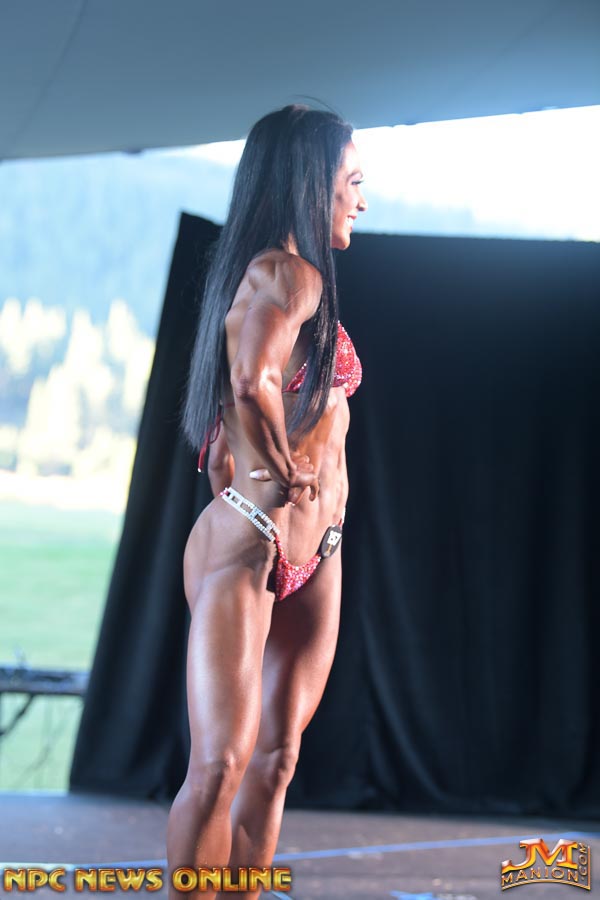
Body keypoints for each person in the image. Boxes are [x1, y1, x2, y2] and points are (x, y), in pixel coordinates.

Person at [167, 104, 367, 898]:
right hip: (253, 534)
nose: (361, 199)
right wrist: (280, 468)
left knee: (275, 762)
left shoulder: (284, 273)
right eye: (352, 181)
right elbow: (252, 379)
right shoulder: (289, 273)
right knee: (221, 763)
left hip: (319, 551)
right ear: (313, 180)